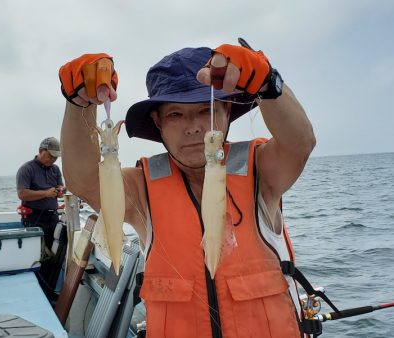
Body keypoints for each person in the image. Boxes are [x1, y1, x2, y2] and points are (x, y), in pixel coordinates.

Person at [58, 39, 316, 338]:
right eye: (176, 115)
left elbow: (300, 144)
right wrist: (79, 104)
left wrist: (269, 83)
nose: (193, 127)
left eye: (205, 111)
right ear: (158, 123)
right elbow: (84, 181)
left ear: (226, 112)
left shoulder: (262, 170)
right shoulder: (143, 187)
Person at [16, 137, 66, 294]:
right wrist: (45, 193)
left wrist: (60, 190)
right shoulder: (27, 169)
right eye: (50, 155)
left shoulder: (55, 169)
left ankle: (47, 291)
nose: (53, 159)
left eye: (56, 156)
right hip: (34, 220)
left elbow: (60, 187)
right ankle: (35, 292)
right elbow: (22, 193)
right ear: (40, 151)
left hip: (52, 218)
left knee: (53, 257)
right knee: (37, 258)